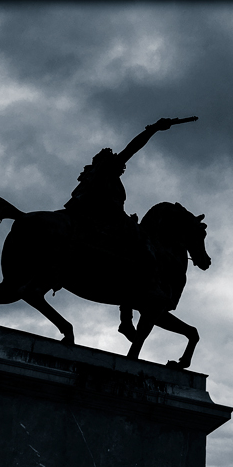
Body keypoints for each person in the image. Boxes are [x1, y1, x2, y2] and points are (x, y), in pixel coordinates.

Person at [64, 117, 191, 342]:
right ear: (107, 162)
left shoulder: (98, 176)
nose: (120, 163)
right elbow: (132, 148)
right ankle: (132, 310)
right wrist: (153, 130)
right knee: (145, 250)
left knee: (137, 245)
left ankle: (126, 315)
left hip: (106, 217)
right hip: (105, 219)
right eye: (115, 160)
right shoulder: (107, 172)